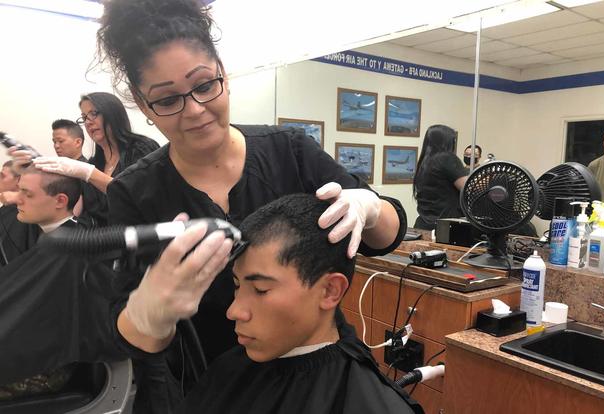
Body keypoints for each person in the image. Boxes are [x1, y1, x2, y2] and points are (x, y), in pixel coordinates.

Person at [95, 0, 406, 411]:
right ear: (141, 101)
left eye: (204, 86)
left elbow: (384, 237)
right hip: (207, 386)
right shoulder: (135, 194)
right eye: (168, 100)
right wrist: (147, 313)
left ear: (222, 72)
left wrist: (368, 206)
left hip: (317, 374)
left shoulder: (290, 151)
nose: (195, 111)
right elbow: (128, 332)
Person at [158, 194, 420, 413]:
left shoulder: (372, 404)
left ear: (330, 290)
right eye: (237, 285)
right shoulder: (227, 372)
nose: (233, 310)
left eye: (260, 290)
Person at [11, 92, 160, 226]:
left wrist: (89, 173)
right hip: (103, 245)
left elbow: (140, 198)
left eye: (94, 114)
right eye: (84, 117)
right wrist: (31, 169)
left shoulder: (141, 148)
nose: (88, 122)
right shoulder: (95, 163)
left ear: (113, 114)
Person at [0, 166, 81, 400]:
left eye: (28, 194)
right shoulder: (45, 237)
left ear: (60, 200)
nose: (18, 200)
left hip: (46, 366)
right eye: (19, 192)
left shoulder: (73, 250)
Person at [413, 124, 468, 230]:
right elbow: (468, 188)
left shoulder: (424, 162)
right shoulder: (447, 158)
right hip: (446, 228)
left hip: (423, 225)